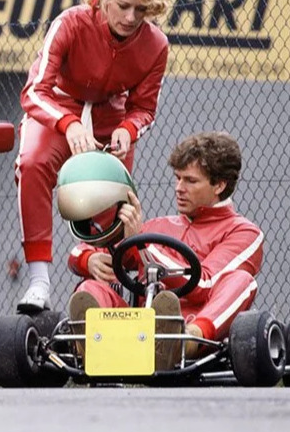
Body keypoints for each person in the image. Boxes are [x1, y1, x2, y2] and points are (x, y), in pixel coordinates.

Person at [13, 0, 172, 314]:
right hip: (57, 106)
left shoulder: (156, 45)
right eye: (123, 6)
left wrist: (128, 129)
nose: (131, 17)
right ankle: (39, 281)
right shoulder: (70, 22)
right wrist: (66, 124)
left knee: (114, 197)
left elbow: (144, 108)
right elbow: (33, 90)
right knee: (33, 163)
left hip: (110, 118)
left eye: (141, 10)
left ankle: (101, 289)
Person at [63, 132, 264, 370]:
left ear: (219, 185)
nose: (179, 188)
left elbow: (203, 285)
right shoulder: (157, 227)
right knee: (90, 288)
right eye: (177, 178)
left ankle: (182, 342)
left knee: (242, 281)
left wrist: (142, 244)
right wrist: (89, 259)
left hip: (197, 330)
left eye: (190, 181)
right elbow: (79, 252)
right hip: (138, 330)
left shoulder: (244, 233)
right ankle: (96, 343)